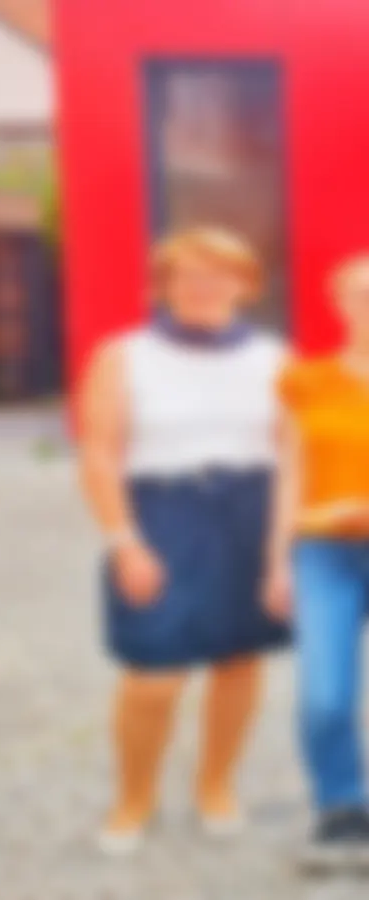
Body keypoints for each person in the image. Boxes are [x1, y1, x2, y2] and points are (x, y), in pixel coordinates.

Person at [77, 227, 289, 854]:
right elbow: (99, 454)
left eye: (219, 274)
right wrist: (124, 540)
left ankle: (215, 785)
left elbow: (290, 457)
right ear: (164, 284)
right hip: (162, 513)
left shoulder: (273, 361)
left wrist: (282, 554)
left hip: (250, 510)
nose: (203, 287)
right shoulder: (126, 356)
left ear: (244, 285)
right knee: (154, 676)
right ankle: (134, 797)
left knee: (239, 660)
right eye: (188, 274)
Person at [267, 253, 369, 865]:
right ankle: (341, 806)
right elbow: (287, 474)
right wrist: (275, 563)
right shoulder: (305, 382)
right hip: (324, 553)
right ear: (340, 301)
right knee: (325, 694)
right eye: (360, 292)